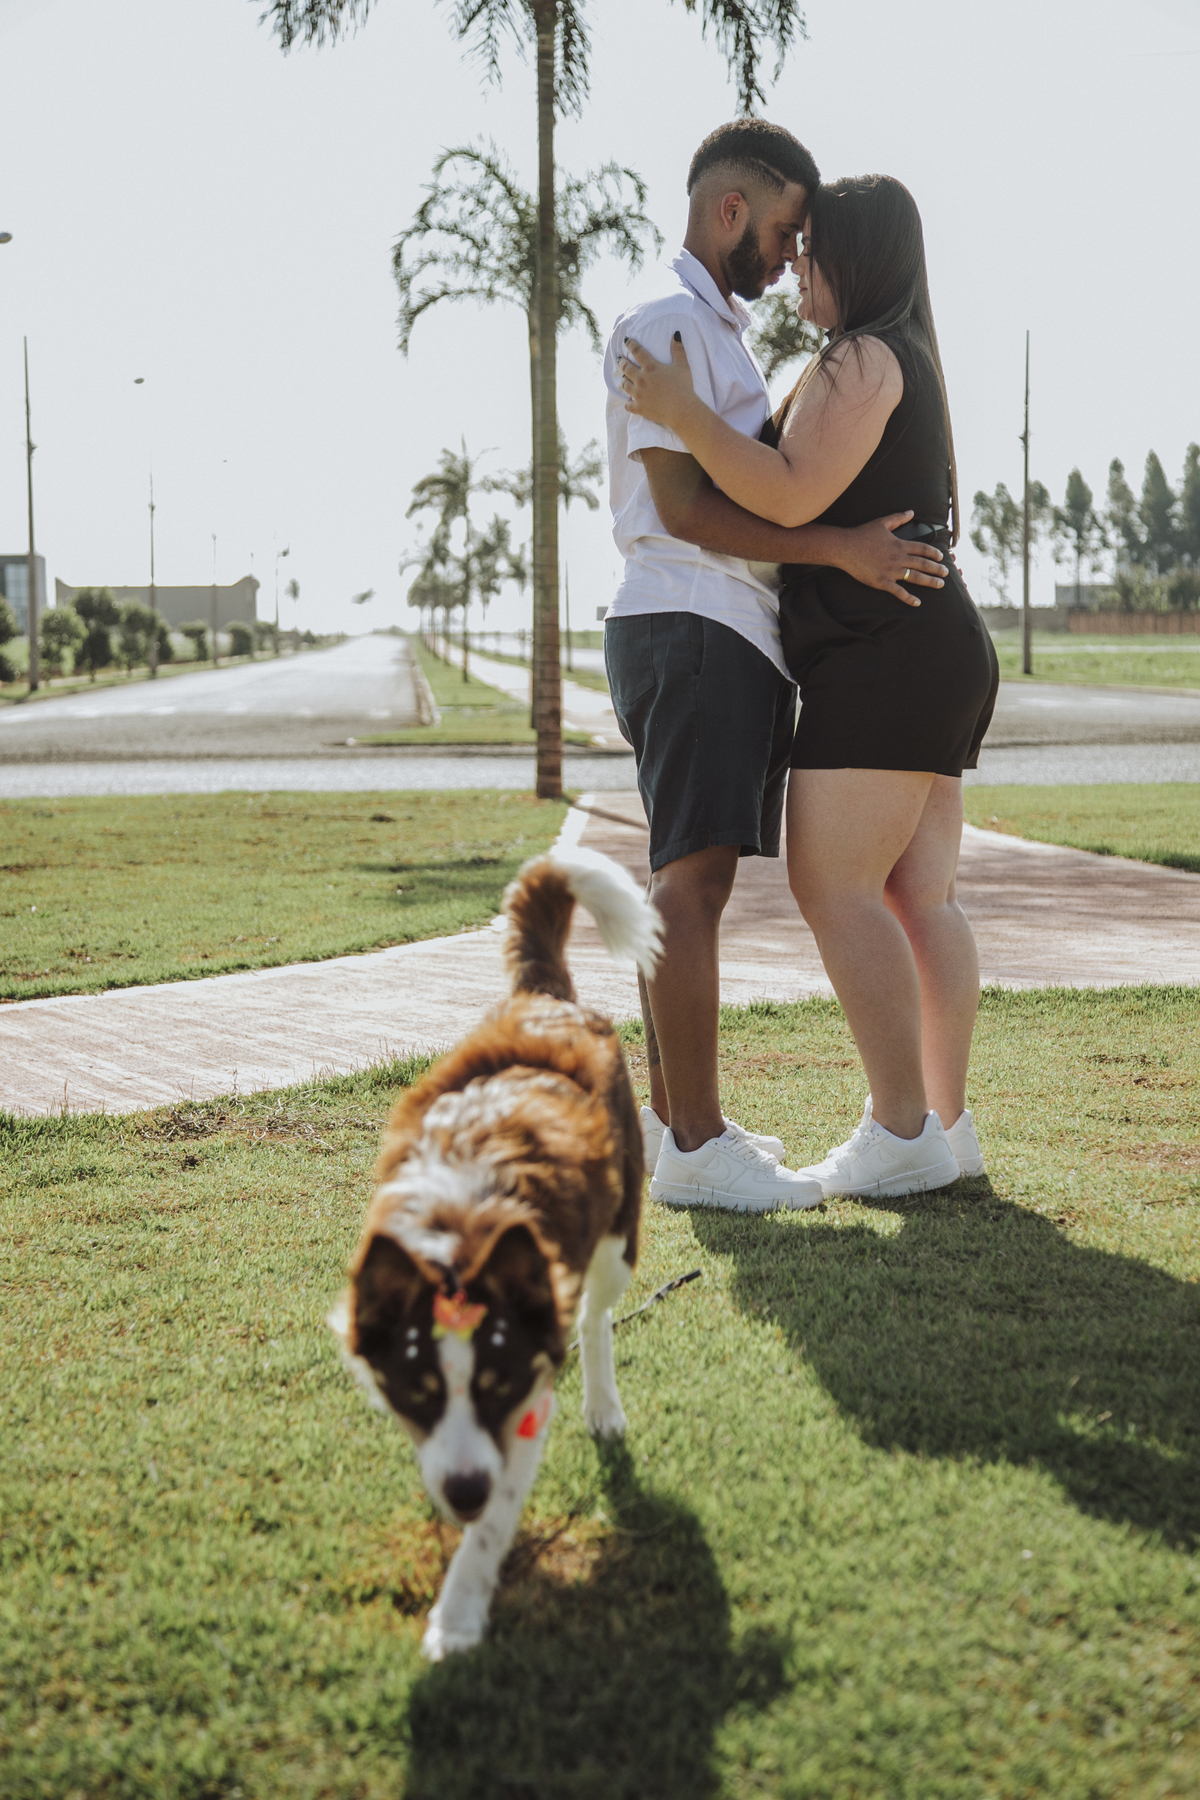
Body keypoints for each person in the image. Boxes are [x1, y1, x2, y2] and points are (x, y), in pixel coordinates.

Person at [618, 171, 1000, 1200]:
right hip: (930, 649)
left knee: (835, 887)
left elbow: (786, 495)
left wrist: (681, 413)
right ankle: (944, 1127)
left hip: (885, 657)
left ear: (854, 258)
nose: (795, 269)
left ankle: (900, 1129)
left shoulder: (861, 357)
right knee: (921, 896)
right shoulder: (901, 353)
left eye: (811, 248)